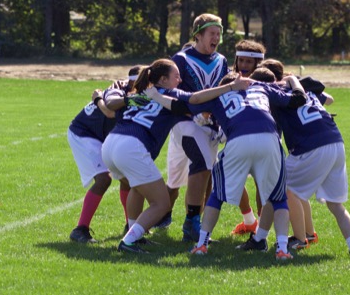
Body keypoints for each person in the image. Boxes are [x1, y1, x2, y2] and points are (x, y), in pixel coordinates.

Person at [102, 59, 251, 254]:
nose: (180, 80)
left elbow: (113, 106)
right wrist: (231, 86)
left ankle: (134, 234)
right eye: (176, 76)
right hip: (132, 146)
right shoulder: (170, 93)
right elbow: (196, 99)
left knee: (137, 188)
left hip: (111, 143)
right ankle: (128, 241)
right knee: (161, 203)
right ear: (163, 79)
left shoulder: (141, 92)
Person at [172, 69, 308, 260]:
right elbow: (297, 99)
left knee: (217, 194)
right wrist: (294, 80)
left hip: (238, 140)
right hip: (269, 138)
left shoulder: (219, 94)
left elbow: (190, 100)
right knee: (278, 198)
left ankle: (202, 244)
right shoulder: (260, 87)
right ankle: (282, 249)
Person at [245, 67, 350, 258]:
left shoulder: (274, 95)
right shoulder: (304, 90)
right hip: (336, 142)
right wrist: (296, 81)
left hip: (310, 146)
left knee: (280, 190)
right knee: (335, 204)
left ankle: (297, 239)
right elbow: (327, 98)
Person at [165, 13, 230, 244]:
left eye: (219, 34)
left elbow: (224, 91)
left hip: (210, 127)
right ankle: (180, 220)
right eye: (212, 33)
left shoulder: (221, 60)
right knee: (193, 171)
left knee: (202, 173)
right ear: (198, 35)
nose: (217, 38)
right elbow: (171, 93)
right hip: (186, 124)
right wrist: (193, 112)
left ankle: (191, 221)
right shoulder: (181, 59)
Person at [67, 67, 141, 243]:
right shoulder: (125, 93)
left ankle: (130, 225)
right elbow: (109, 111)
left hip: (102, 134)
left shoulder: (133, 92)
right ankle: (80, 229)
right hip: (84, 133)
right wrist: (99, 98)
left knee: (127, 179)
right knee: (103, 179)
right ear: (132, 82)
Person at [229, 39, 267, 235]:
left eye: (248, 62)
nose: (243, 65)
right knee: (233, 178)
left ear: (257, 64)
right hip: (239, 137)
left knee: (263, 183)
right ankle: (249, 220)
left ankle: (262, 228)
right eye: (240, 61)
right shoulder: (230, 80)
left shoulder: (267, 80)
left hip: (265, 136)